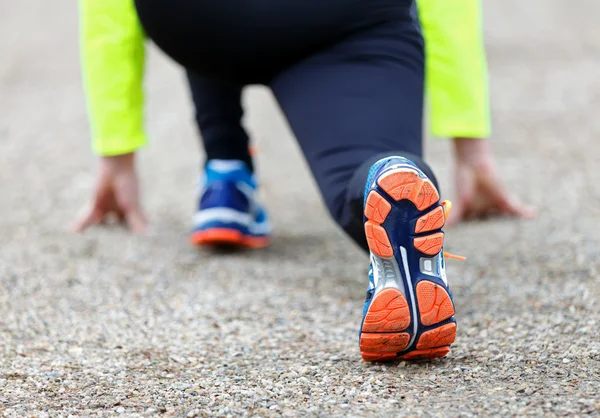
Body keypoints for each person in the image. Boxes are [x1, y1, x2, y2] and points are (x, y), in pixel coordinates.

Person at [74, 0, 529, 362]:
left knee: (216, 31)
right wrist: (469, 141)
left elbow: (107, 12)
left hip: (197, 19)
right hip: (338, 16)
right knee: (367, 166)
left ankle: (227, 172)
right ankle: (383, 176)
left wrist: (117, 151)